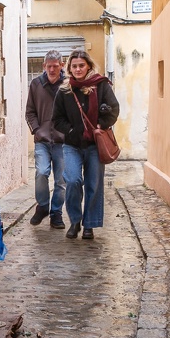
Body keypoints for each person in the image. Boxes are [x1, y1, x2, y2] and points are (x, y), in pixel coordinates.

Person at [51, 50, 120, 240]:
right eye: (74, 66)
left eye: (81, 65)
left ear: (88, 66)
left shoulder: (101, 85)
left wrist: (101, 125)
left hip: (95, 145)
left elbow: (114, 109)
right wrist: (72, 130)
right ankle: (75, 221)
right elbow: (57, 119)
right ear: (69, 68)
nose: (78, 69)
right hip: (72, 145)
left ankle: (89, 224)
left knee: (93, 184)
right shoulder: (64, 90)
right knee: (73, 180)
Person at [25, 50, 67, 229]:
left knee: (61, 180)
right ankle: (42, 206)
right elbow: (29, 111)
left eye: (55, 66)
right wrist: (37, 130)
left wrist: (69, 132)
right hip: (42, 140)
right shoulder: (36, 84)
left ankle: (56, 213)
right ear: (44, 66)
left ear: (62, 65)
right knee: (41, 172)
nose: (52, 69)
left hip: (62, 142)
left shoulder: (67, 84)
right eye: (49, 66)